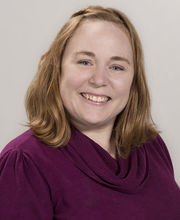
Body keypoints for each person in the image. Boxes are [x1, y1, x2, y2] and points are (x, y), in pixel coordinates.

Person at [0, 5, 180, 220]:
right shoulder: (24, 162)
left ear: (134, 80)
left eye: (116, 67)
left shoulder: (151, 146)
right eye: (85, 62)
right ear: (57, 69)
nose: (99, 79)